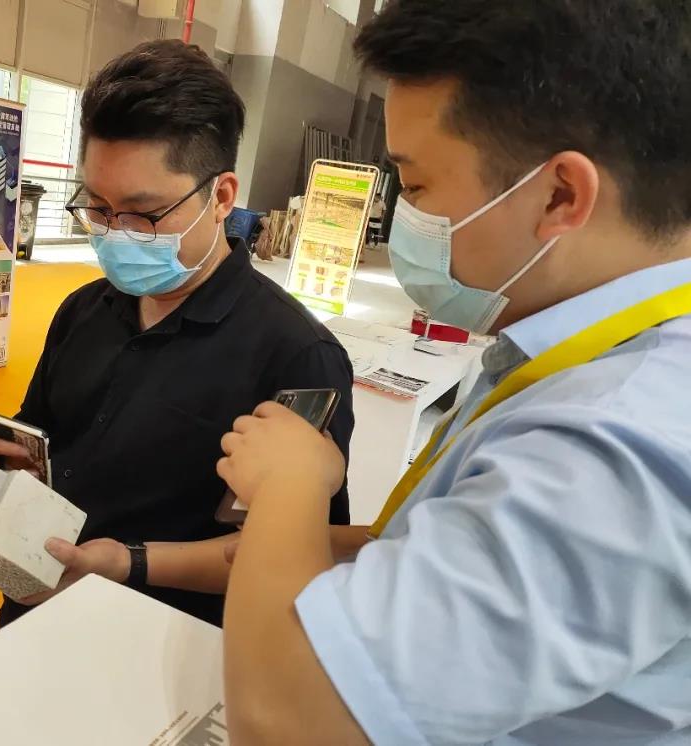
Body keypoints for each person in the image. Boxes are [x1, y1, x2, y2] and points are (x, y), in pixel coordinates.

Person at [217, 1, 691, 744]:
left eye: (416, 187)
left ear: (560, 196)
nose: (409, 217)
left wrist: (290, 484)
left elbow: (290, 718)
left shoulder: (622, 438)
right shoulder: (585, 352)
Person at [0, 39, 354, 629]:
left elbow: (298, 552)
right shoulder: (83, 310)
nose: (116, 232)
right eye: (98, 207)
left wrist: (130, 564)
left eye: (144, 214)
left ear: (221, 197)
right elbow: (40, 439)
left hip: (168, 641)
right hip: (37, 608)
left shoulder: (297, 356)